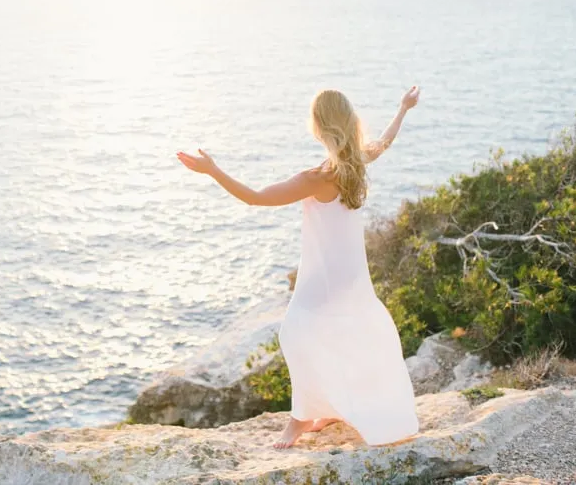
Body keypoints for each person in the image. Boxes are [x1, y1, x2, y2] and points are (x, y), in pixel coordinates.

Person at [176, 86, 421, 448]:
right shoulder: (355, 162)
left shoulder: (315, 178)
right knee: (339, 334)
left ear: (319, 126)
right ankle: (332, 407)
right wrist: (403, 107)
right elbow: (385, 140)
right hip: (351, 275)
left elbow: (255, 198)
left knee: (296, 333)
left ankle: (300, 419)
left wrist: (213, 170)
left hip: (324, 278)